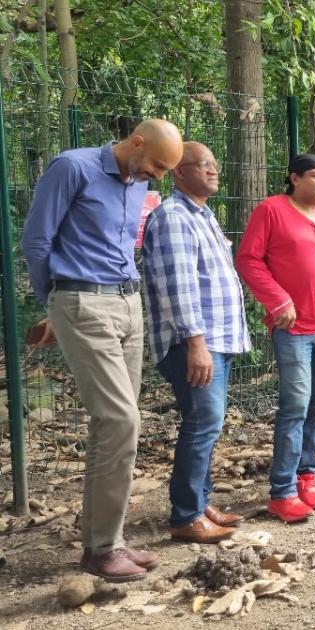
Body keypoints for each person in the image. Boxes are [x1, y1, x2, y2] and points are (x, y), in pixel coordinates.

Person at [21, 119, 183, 581]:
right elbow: (37, 240)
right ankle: (101, 547)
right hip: (83, 300)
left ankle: (104, 542)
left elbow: (115, 247)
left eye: (166, 170)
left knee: (112, 425)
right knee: (120, 420)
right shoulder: (73, 168)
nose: (159, 175)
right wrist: (55, 302)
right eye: (156, 164)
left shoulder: (137, 185)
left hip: (127, 303)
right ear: (136, 142)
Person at [236, 153, 315, 523]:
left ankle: (307, 476)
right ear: (294, 178)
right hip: (293, 330)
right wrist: (278, 300)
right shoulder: (271, 210)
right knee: (295, 407)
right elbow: (248, 259)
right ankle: (282, 491)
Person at [142, 141, 249, 544]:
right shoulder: (173, 217)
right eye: (203, 164)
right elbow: (179, 287)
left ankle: (200, 502)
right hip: (194, 342)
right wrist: (196, 343)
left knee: (206, 422)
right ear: (178, 172)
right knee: (203, 423)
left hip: (215, 339)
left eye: (214, 162)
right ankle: (185, 516)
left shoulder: (201, 216)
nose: (213, 169)